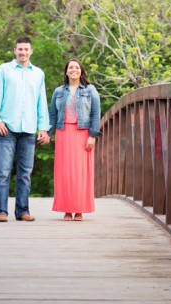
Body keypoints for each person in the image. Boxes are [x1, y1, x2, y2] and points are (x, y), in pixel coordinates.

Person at [0, 36, 51, 222]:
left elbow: (42, 103)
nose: (23, 52)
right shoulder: (3, 70)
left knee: (25, 173)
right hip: (6, 128)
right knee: (3, 171)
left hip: (29, 129)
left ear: (31, 51)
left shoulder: (38, 74)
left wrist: (44, 128)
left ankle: (22, 211)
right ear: (15, 51)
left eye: (26, 49)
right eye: (19, 49)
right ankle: (1, 211)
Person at [49, 58, 101, 221]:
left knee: (80, 173)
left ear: (81, 71)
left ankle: (79, 210)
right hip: (63, 133)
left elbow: (95, 113)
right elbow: (52, 115)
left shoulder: (89, 89)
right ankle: (66, 210)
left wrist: (92, 135)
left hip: (82, 133)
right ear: (66, 71)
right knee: (64, 172)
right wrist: (47, 133)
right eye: (70, 67)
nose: (73, 70)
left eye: (76, 68)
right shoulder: (58, 91)